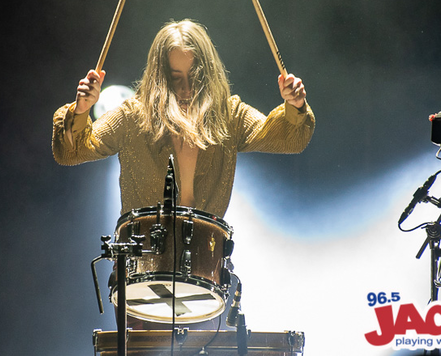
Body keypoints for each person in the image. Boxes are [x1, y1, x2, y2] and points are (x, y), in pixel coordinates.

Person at [51, 19, 315, 218]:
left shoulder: (229, 116)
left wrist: (295, 105)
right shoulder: (133, 116)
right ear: (159, 79)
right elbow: (70, 153)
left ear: (208, 74)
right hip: (141, 267)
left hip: (204, 268)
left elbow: (288, 139)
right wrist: (82, 110)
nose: (186, 90)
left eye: (195, 77)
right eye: (175, 79)